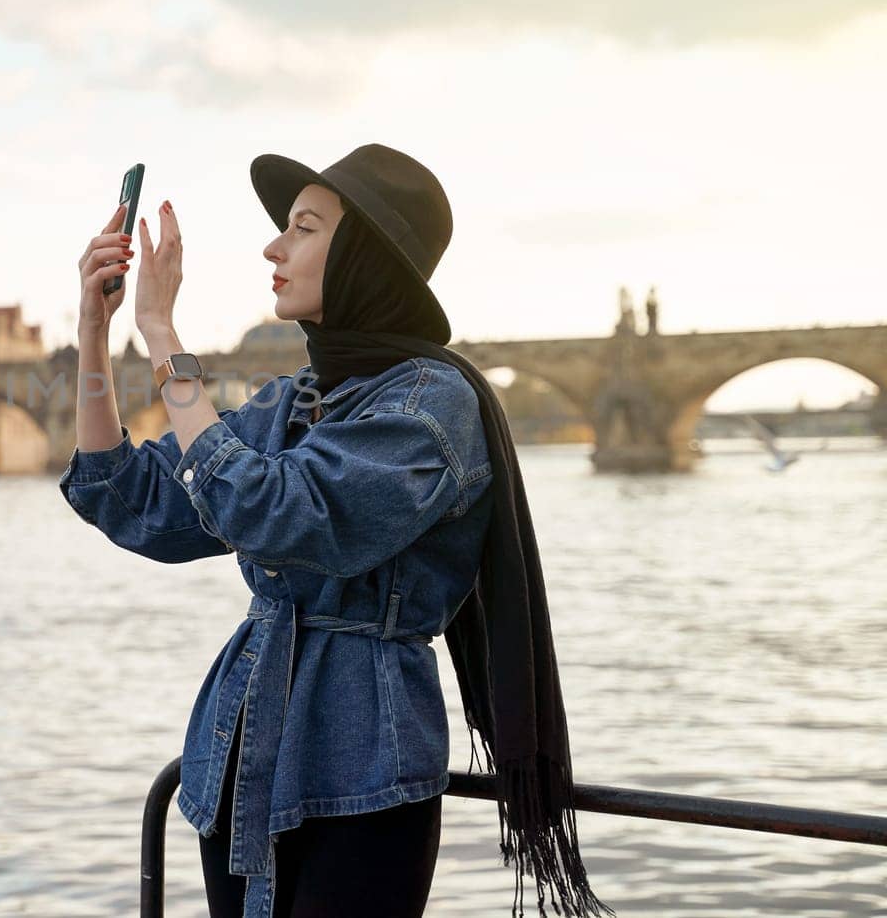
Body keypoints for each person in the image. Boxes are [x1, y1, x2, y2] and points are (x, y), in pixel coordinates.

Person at [59, 144, 614, 918]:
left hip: (360, 761)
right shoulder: (294, 401)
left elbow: (283, 513)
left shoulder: (430, 404)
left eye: (303, 229)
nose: (273, 247)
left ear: (363, 258)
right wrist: (95, 328)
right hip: (239, 753)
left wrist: (162, 335)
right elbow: (132, 501)